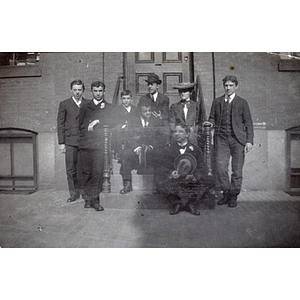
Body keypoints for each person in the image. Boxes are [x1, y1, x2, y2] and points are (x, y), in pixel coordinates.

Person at [204, 75, 253, 208]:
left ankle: (233, 196)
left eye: (231, 85)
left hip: (238, 140)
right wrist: (210, 123)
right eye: (226, 85)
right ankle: (226, 193)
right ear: (223, 86)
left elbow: (248, 122)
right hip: (221, 139)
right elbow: (212, 117)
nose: (228, 88)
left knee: (237, 171)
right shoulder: (217, 102)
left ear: (236, 86)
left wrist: (249, 141)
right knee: (220, 168)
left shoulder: (242, 102)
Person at [156, 124, 210, 215]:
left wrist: (194, 176)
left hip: (191, 180)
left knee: (208, 181)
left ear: (187, 134)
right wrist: (171, 173)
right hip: (175, 180)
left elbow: (203, 167)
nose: (177, 134)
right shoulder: (169, 150)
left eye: (180, 131)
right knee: (160, 181)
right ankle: (176, 203)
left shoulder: (196, 150)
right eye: (175, 132)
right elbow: (162, 167)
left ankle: (191, 204)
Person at [78, 81, 114, 211]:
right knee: (86, 172)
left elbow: (112, 120)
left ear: (104, 92)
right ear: (92, 92)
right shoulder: (85, 106)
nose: (98, 94)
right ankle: (88, 199)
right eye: (95, 91)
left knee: (98, 172)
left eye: (100, 91)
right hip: (86, 143)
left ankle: (95, 200)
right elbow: (80, 124)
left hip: (99, 145)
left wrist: (98, 121)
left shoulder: (109, 107)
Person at [119, 105, 165, 194]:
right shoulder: (133, 122)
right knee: (125, 154)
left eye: (149, 110)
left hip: (151, 151)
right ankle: (127, 184)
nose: (148, 113)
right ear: (140, 112)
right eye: (145, 111)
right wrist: (136, 147)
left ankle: (157, 185)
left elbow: (161, 138)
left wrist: (151, 146)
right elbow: (128, 137)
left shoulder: (157, 121)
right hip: (137, 151)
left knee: (161, 154)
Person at [57, 79, 88, 202]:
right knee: (71, 168)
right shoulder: (64, 104)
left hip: (84, 141)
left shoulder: (88, 103)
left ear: (83, 90)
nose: (77, 92)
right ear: (71, 90)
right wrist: (61, 143)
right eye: (75, 90)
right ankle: (73, 193)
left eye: (79, 90)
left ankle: (85, 192)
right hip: (70, 141)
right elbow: (60, 124)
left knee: (85, 168)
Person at [138, 73, 170, 144]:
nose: (149, 86)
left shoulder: (164, 99)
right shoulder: (143, 99)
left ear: (157, 86)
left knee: (166, 125)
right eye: (148, 84)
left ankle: (166, 145)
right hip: (148, 122)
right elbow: (141, 113)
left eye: (152, 84)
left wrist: (160, 116)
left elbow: (165, 114)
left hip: (159, 123)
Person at [112, 90, 139, 157]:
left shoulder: (135, 109)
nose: (126, 100)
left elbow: (137, 121)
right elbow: (115, 121)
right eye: (124, 98)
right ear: (121, 99)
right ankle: (119, 151)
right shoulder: (117, 110)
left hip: (133, 130)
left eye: (128, 98)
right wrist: (122, 126)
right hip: (121, 131)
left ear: (131, 99)